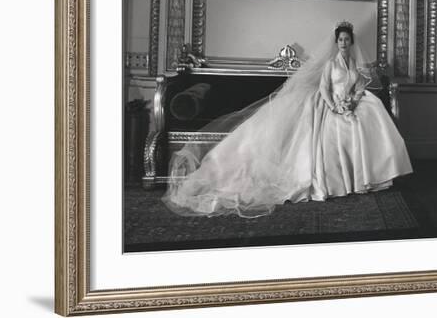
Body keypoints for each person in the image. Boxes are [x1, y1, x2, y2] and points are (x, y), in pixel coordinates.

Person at [162, 21, 413, 218]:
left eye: (347, 40)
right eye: (341, 40)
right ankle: (335, 180)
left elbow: (358, 85)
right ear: (336, 42)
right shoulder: (331, 65)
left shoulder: (354, 66)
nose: (344, 43)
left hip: (347, 103)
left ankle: (366, 178)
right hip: (329, 103)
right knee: (328, 133)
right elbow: (325, 88)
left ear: (351, 42)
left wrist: (353, 101)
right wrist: (335, 105)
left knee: (371, 113)